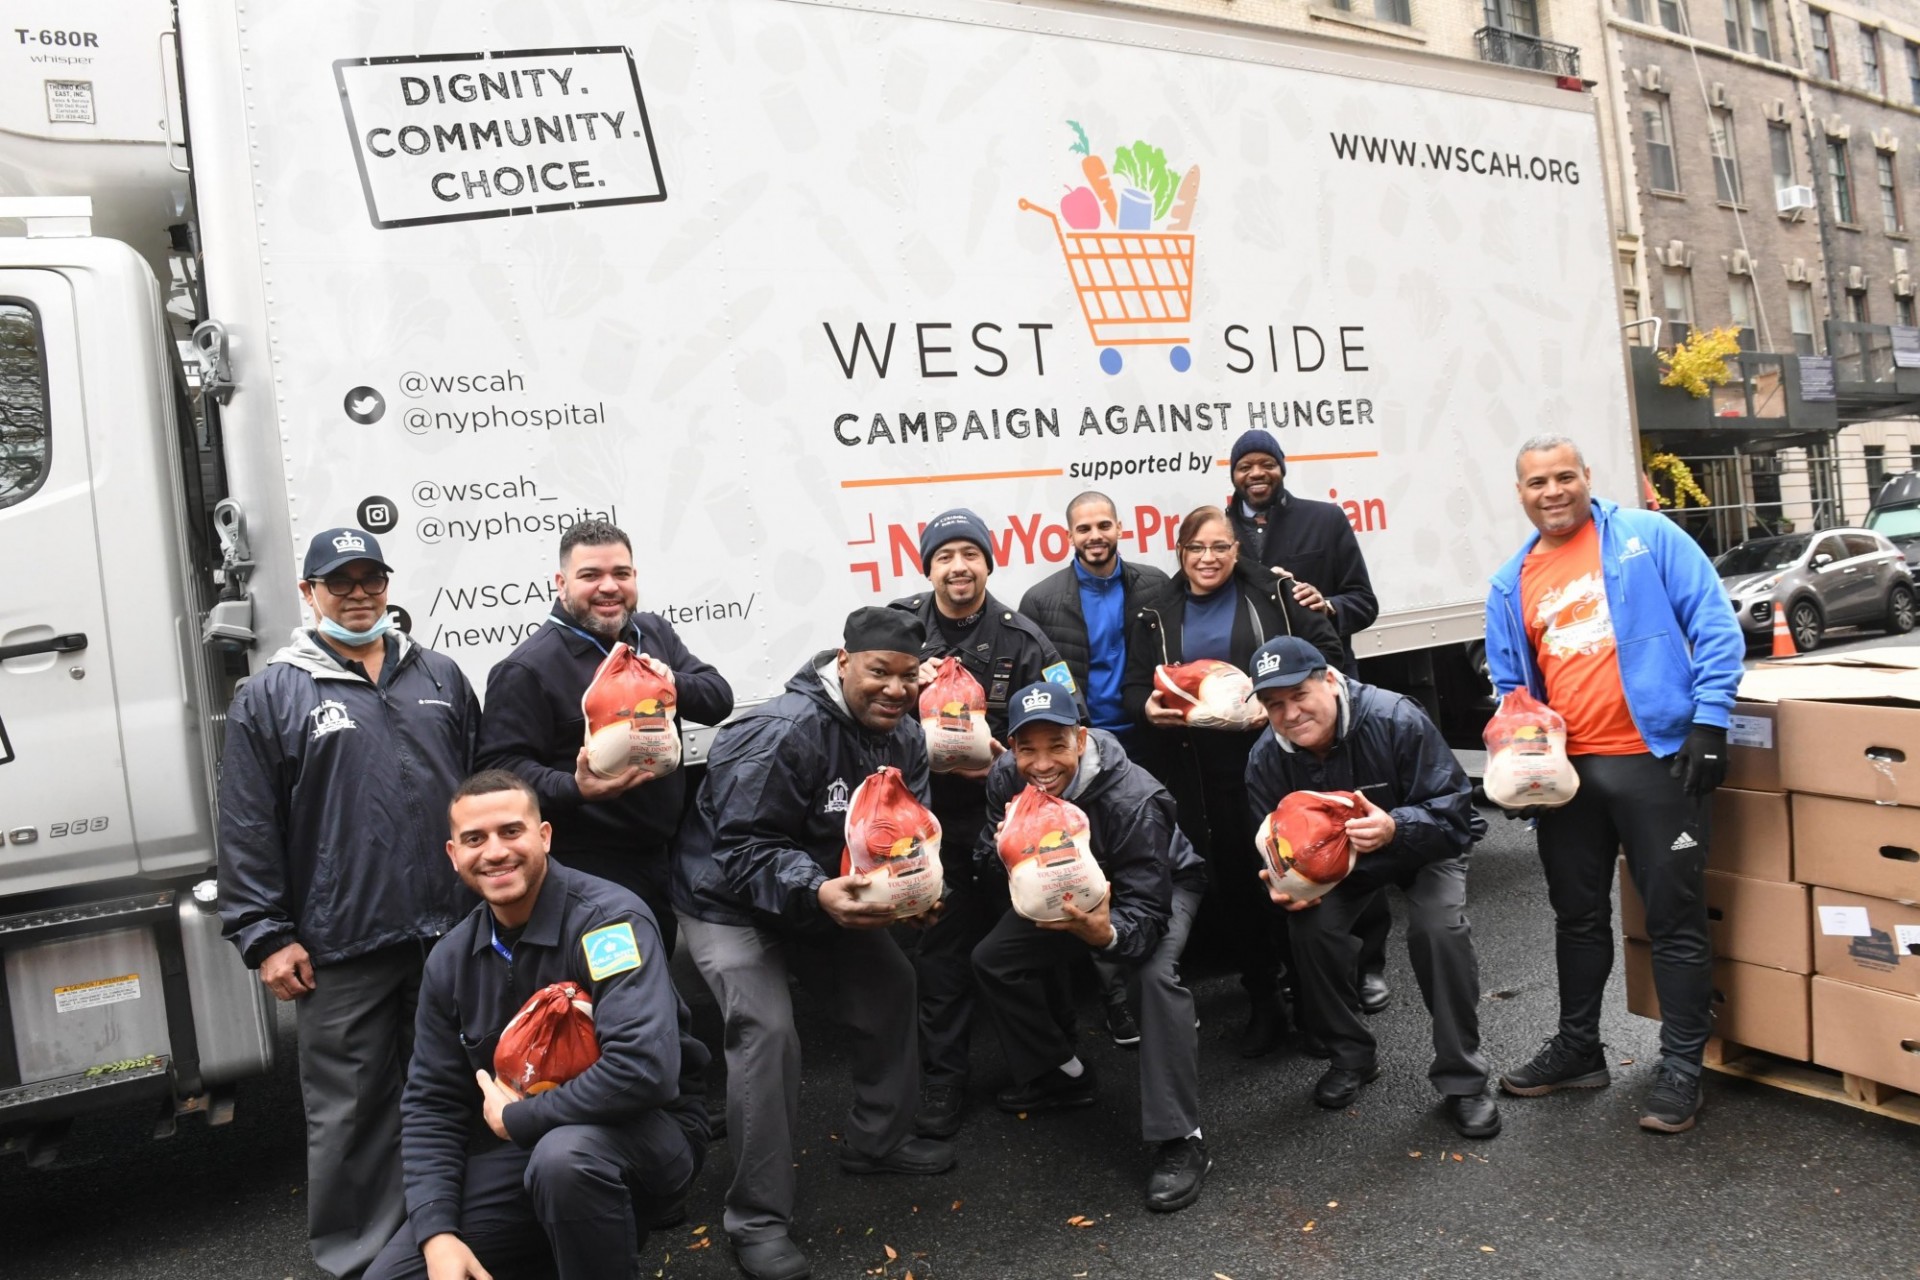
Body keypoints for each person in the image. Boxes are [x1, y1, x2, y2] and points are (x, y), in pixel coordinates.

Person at [218, 528, 480, 1279]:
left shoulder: (440, 675)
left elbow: (482, 793)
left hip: (449, 933)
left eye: (371, 579)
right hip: (342, 944)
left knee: (460, 1088)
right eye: (340, 583)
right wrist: (266, 935)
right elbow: (246, 825)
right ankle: (360, 1260)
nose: (359, 594)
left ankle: (461, 1236)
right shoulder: (273, 693)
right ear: (308, 594)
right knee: (353, 1113)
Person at [673, 608, 955, 1280]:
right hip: (728, 899)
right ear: (844, 660)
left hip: (824, 893)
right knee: (768, 1032)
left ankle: (876, 1143)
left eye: (908, 677)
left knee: (892, 987)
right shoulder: (781, 731)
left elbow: (905, 833)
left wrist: (913, 893)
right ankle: (758, 1220)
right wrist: (817, 890)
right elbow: (739, 848)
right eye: (879, 672)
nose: (893, 689)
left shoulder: (906, 737)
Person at [1486, 434, 1744, 1134]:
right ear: (1521, 493)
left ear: (1586, 478)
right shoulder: (1511, 583)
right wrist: (1519, 770)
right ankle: (1579, 1049)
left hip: (1656, 760)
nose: (1553, 491)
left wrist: (1710, 722)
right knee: (1576, 916)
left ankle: (1682, 1066)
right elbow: (1513, 689)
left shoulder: (1646, 537)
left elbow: (1715, 624)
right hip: (1570, 777)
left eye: (1564, 476)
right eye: (1537, 481)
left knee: (1673, 916)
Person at [363, 771, 709, 1280]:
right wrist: (437, 1233)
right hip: (531, 1152)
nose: (495, 852)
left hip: (648, 1137)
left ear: (544, 836)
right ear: (453, 854)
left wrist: (520, 1120)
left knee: (564, 1162)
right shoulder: (450, 960)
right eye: (474, 839)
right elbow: (430, 1105)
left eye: (511, 831)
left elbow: (644, 1070)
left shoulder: (608, 922)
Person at [970, 682, 1213, 1212]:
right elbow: (990, 848)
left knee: (1152, 978)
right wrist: (1000, 851)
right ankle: (1062, 1074)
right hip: (1061, 886)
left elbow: (1147, 910)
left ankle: (1181, 1139)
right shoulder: (1006, 776)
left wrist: (1106, 935)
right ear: (1010, 747)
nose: (1040, 763)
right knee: (993, 960)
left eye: (1056, 745)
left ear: (1080, 739)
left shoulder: (1135, 799)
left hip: (1151, 890)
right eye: (1026, 748)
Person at [1245, 637, 1499, 1139]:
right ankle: (1351, 1056)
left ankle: (1464, 1080)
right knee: (1309, 929)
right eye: (1275, 704)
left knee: (1438, 929)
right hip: (1342, 863)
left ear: (1330, 681)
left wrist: (1396, 827)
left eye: (1299, 695)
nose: (1291, 713)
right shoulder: (1265, 759)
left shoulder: (1396, 719)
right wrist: (1281, 883)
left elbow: (1458, 816)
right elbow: (1270, 843)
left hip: (1422, 843)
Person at [1121, 505, 1341, 1058]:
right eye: (1197, 548)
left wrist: (1290, 708)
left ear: (1236, 551)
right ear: (1180, 552)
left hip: (1280, 763)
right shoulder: (1155, 612)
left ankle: (1315, 1005)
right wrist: (1149, 709)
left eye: (1220, 547)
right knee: (1239, 890)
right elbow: (1131, 688)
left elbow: (1329, 657)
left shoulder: (1276, 595)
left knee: (1295, 880)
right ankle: (1264, 1002)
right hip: (1204, 775)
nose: (1208, 558)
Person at [890, 508, 1077, 1138]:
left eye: (970, 553)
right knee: (938, 950)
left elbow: (1065, 728)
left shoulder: (1020, 637)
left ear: (988, 563)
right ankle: (944, 1079)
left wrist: (1006, 766)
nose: (958, 566)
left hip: (1006, 820)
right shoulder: (900, 628)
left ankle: (1056, 1066)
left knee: (1033, 935)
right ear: (928, 567)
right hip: (924, 827)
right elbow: (855, 697)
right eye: (944, 556)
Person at [477, 518, 733, 956]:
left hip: (665, 856)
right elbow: (499, 775)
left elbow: (718, 700)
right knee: (622, 986)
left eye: (621, 573)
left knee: (658, 975)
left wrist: (668, 681)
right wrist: (575, 787)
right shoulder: (526, 670)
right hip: (592, 869)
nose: (609, 587)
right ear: (561, 584)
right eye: (590, 575)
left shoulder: (652, 634)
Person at [1225, 428, 1394, 1015]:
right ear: (1233, 473)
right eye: (1246, 465)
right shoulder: (1225, 535)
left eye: (1265, 463)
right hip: (1264, 708)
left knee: (1347, 829)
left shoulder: (1324, 521)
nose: (1256, 474)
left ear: (1281, 468)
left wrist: (1332, 606)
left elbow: (1364, 602)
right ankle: (1304, 968)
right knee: (1287, 841)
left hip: (1323, 703)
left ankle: (1369, 963)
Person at [1017, 491, 1173, 1048]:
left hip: (1148, 742)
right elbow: (1035, 680)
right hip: (1079, 757)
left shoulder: (1154, 585)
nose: (1094, 535)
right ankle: (1115, 1000)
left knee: (1147, 868)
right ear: (1068, 535)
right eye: (1083, 528)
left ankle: (1158, 979)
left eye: (1104, 524)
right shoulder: (1041, 599)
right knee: (1089, 871)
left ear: (1119, 527)